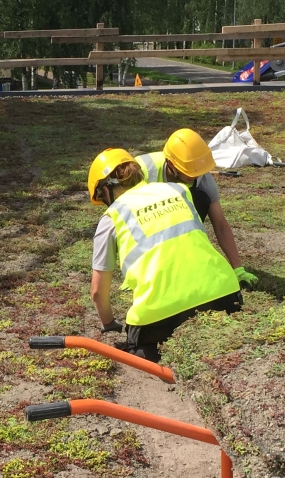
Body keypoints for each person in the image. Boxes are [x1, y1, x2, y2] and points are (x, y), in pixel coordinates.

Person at [89, 148, 243, 362]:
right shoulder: (179, 191)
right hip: (224, 295)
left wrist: (109, 324)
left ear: (106, 189)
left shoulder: (112, 216)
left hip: (158, 316)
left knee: (141, 354)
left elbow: (97, 292)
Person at [133, 128, 258, 289]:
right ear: (171, 165)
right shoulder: (142, 172)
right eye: (190, 172)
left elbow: (220, 225)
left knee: (200, 198)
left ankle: (180, 259)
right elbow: (124, 217)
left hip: (171, 222)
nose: (196, 176)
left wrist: (238, 270)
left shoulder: (203, 179)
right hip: (145, 218)